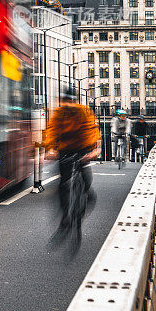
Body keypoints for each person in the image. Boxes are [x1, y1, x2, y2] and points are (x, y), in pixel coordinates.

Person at [44, 89, 100, 239]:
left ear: (75, 101)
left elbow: (92, 130)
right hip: (65, 149)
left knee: (86, 178)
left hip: (83, 147)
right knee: (63, 184)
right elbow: (52, 130)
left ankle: (87, 193)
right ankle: (65, 219)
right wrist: (50, 149)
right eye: (66, 102)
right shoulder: (59, 113)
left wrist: (93, 150)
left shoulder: (84, 111)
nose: (68, 105)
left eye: (71, 102)